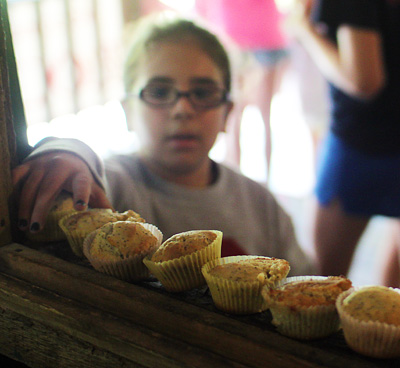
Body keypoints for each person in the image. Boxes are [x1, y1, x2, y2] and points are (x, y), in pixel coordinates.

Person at [12, 14, 315, 275]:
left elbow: (303, 282)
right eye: (158, 91)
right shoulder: (113, 192)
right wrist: (66, 152)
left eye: (203, 92)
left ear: (227, 113)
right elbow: (82, 172)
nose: (182, 109)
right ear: (127, 112)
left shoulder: (262, 205)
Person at [285, 0, 400, 285]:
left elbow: (364, 82)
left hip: (363, 143)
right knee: (392, 292)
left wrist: (304, 30)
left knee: (322, 281)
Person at [194, 0, 290, 175]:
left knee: (238, 116)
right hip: (253, 38)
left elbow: (201, 9)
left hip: (245, 39)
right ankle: (254, 180)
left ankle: (248, 180)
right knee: (245, 116)